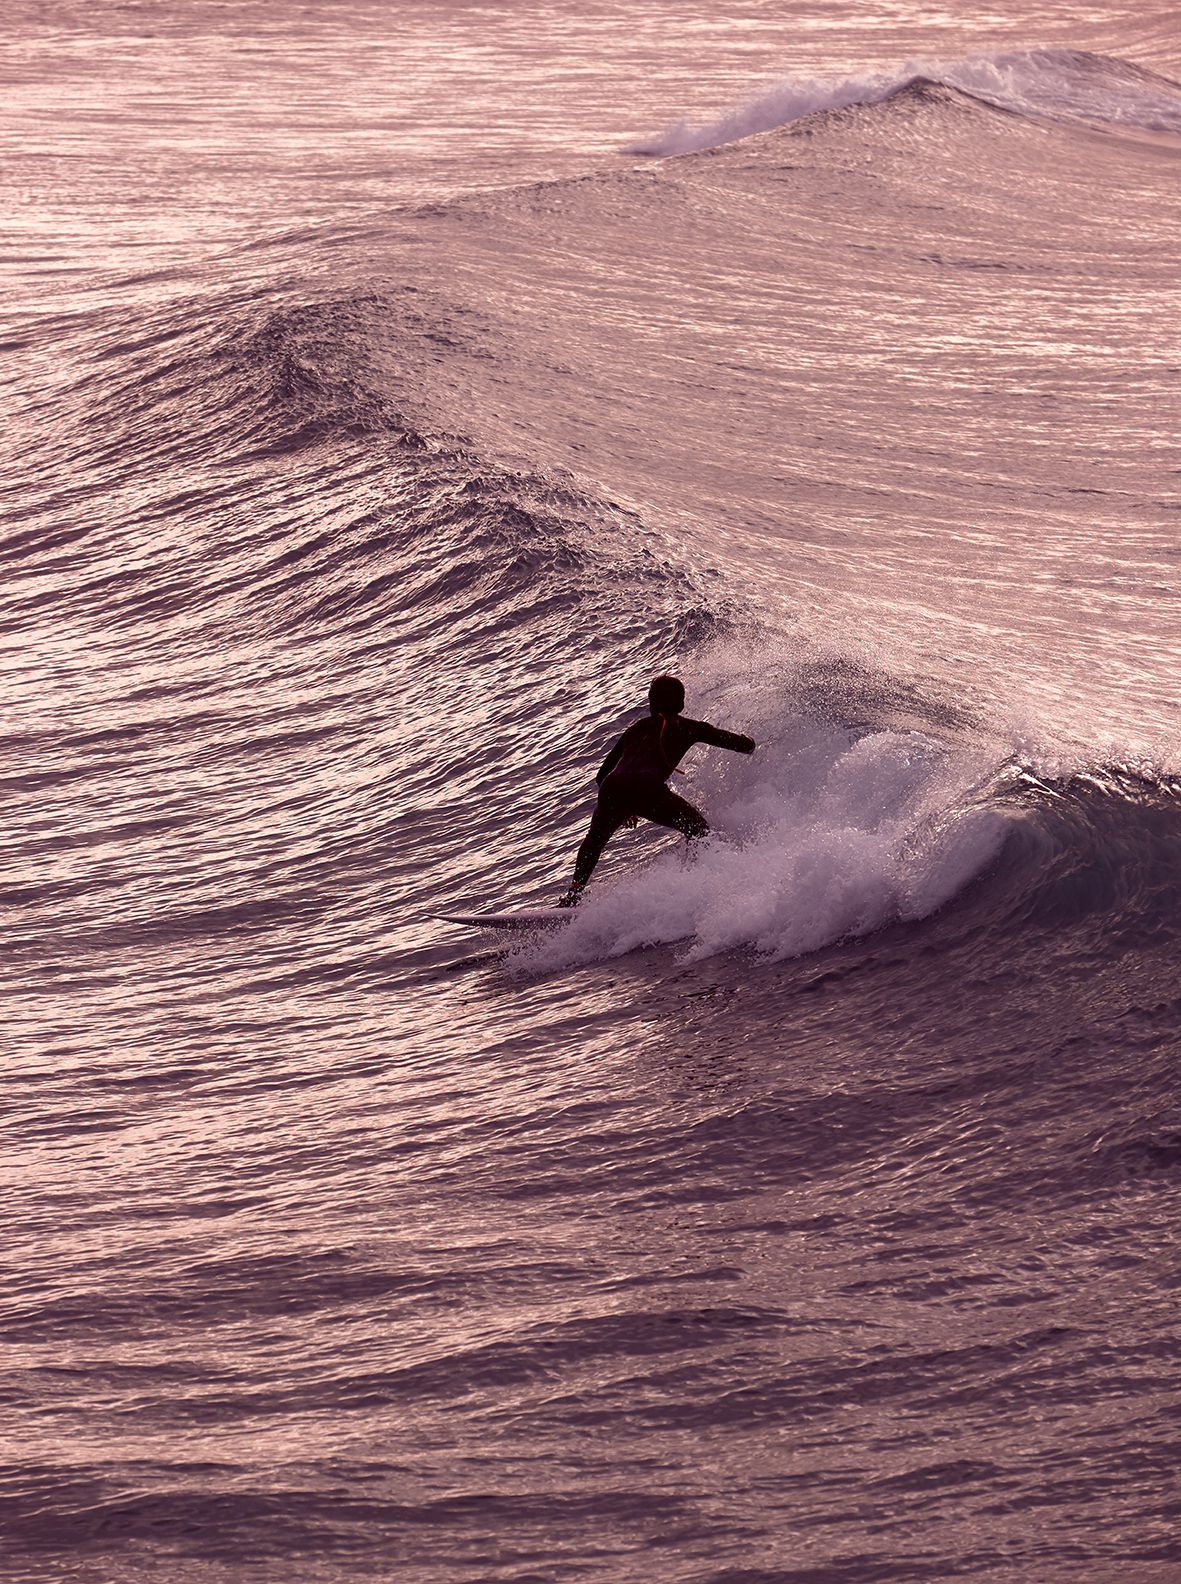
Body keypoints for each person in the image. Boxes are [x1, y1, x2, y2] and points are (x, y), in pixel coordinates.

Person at [558, 675, 755, 907]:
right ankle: (701, 885)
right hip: (647, 789)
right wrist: (751, 740)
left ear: (651, 703)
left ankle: (574, 894)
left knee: (595, 840)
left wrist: (624, 806)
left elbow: (601, 775)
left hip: (612, 788)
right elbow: (742, 746)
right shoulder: (688, 727)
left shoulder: (636, 728)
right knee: (699, 830)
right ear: (681, 705)